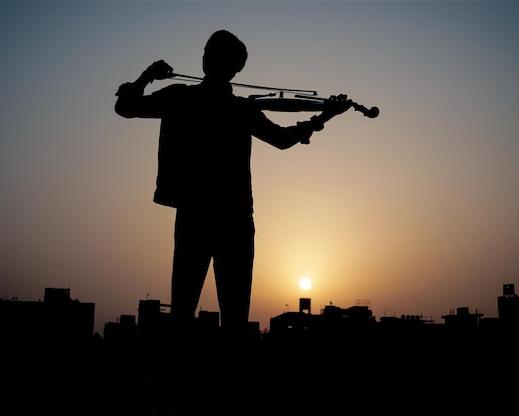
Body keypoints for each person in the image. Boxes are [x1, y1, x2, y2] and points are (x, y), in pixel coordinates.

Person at [114, 30, 351, 338]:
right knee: (234, 317)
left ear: (207, 60)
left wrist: (147, 75)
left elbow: (125, 107)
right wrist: (324, 117)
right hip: (234, 217)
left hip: (195, 212)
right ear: (236, 69)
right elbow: (282, 139)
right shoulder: (239, 109)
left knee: (184, 310)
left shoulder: (180, 97)